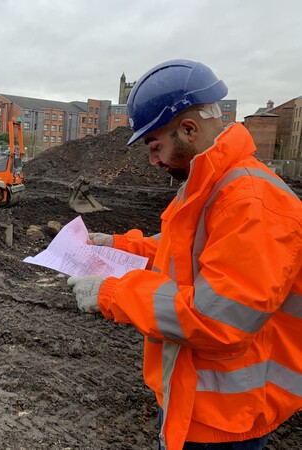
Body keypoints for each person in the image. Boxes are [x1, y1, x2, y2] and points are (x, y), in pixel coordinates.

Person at [67, 59, 302, 450]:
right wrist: (120, 246)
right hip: (197, 397)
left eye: (154, 145)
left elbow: (216, 318)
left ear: (189, 130)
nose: (153, 160)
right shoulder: (212, 184)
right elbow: (184, 251)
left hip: (225, 418)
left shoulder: (251, 201)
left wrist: (113, 293)